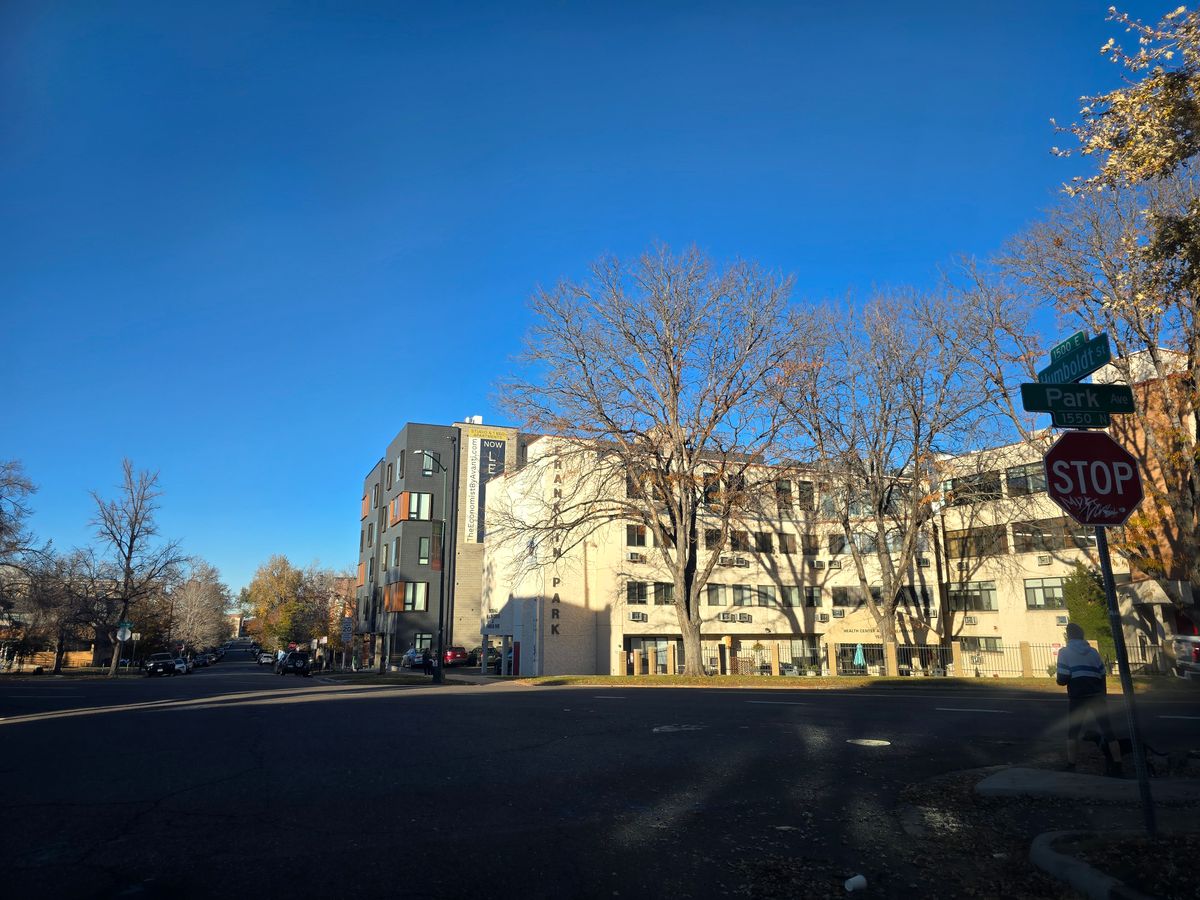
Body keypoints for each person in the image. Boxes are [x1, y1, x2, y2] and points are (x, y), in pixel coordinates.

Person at [1056, 623, 1122, 776]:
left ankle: (1071, 765)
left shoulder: (1064, 652)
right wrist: (1102, 694)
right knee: (1108, 731)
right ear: (1082, 636)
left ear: (1069, 636)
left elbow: (1062, 679)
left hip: (1078, 697)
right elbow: (1102, 674)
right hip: (1097, 695)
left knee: (1073, 732)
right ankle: (1118, 765)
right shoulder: (1093, 652)